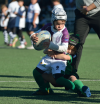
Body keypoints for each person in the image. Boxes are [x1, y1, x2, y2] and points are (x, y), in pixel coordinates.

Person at [31, 8, 79, 95]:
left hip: (59, 60)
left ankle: (75, 88)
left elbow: (64, 49)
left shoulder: (65, 32)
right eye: (58, 24)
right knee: (36, 72)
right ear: (53, 21)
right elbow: (36, 33)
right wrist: (33, 36)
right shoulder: (47, 26)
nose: (60, 26)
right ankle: (45, 90)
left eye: (63, 23)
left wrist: (50, 46)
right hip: (48, 58)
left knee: (59, 79)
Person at [74, 0, 100, 71]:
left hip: (98, 13)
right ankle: (72, 72)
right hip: (81, 15)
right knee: (75, 43)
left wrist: (88, 8)